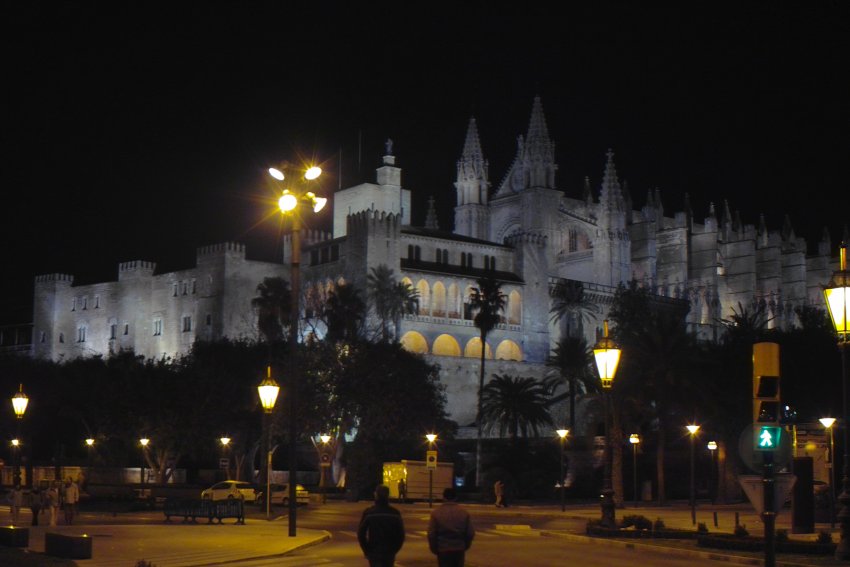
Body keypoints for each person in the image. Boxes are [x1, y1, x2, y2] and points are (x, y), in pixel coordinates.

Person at [357, 484, 405, 567]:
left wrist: (366, 550)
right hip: (389, 551)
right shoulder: (394, 513)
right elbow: (401, 535)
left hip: (374, 550)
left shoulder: (369, 513)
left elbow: (361, 533)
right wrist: (394, 549)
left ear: (376, 495)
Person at [428, 487, 474, 567]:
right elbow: (470, 533)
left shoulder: (436, 513)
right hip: (459, 548)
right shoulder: (464, 512)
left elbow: (431, 534)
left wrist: (434, 548)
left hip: (443, 549)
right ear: (456, 497)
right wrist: (465, 545)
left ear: (443, 497)